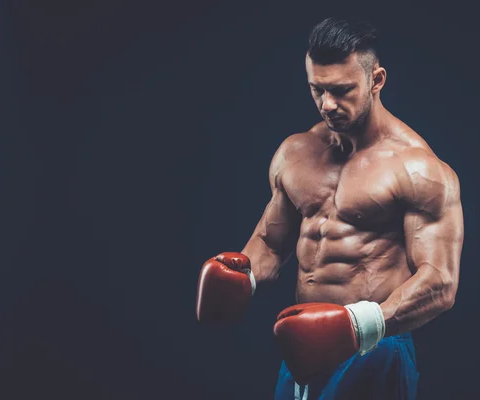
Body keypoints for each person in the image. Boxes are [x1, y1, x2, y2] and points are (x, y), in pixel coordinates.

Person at [196, 17, 464, 400]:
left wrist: (359, 325)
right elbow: (271, 245)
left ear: (377, 80)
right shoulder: (295, 153)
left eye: (341, 90)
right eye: (316, 89)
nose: (327, 104)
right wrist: (243, 275)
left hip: (374, 347)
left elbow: (440, 284)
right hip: (301, 346)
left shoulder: (417, 168)